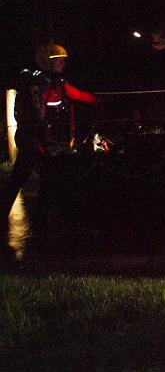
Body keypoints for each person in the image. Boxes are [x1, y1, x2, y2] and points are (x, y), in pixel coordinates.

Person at [0, 44, 99, 265]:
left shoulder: (57, 83)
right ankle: (49, 226)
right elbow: (38, 116)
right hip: (34, 142)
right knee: (36, 179)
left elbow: (77, 95)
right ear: (47, 61)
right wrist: (42, 142)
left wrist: (99, 100)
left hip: (42, 142)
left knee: (32, 180)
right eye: (59, 60)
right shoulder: (38, 84)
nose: (63, 63)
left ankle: (40, 223)